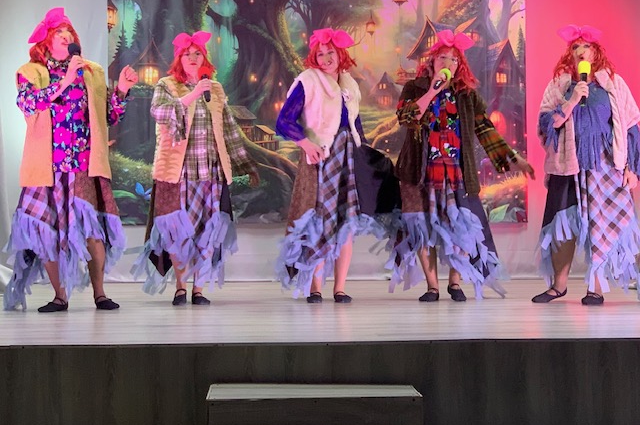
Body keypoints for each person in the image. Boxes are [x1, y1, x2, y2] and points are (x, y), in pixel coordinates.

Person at [3, 7, 138, 312]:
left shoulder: (91, 72)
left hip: (83, 165)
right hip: (46, 166)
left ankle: (100, 294)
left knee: (91, 230)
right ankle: (59, 296)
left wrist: (122, 90)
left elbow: (107, 117)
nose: (66, 38)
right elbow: (28, 104)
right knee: (45, 231)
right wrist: (63, 81)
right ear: (47, 42)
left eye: (69, 33)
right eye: (59, 34)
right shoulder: (31, 72)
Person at [390, 29, 535, 302]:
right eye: (443, 58)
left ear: (460, 66)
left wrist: (514, 159)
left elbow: (486, 130)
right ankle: (432, 287)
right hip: (418, 172)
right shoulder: (414, 88)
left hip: (455, 170)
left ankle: (454, 283)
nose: (448, 63)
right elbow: (407, 117)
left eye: (454, 59)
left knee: (461, 226)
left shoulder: (467, 96)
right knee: (421, 227)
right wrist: (431, 91)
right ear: (432, 61)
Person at [132, 31, 259, 305]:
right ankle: (181, 286)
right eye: (187, 54)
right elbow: (158, 112)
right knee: (178, 232)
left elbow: (229, 130)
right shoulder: (167, 85)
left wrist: (246, 165)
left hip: (210, 173)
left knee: (207, 232)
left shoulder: (215, 89)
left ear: (204, 59)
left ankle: (198, 289)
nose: (192, 58)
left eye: (197, 54)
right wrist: (192, 96)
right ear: (179, 59)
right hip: (178, 173)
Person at [275, 28, 396, 303]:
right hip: (321, 158)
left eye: (331, 52)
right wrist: (306, 144)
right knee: (320, 221)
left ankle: (339, 288)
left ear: (340, 54)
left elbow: (355, 124)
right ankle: (315, 287)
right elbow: (284, 121)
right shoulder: (308, 80)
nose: (326, 58)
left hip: (348, 157)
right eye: (321, 54)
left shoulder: (349, 83)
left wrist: (363, 156)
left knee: (347, 223)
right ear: (314, 57)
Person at [532, 24, 640, 305]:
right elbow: (547, 124)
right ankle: (559, 286)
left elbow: (631, 126)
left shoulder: (613, 83)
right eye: (575, 47)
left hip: (605, 166)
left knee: (605, 224)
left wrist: (631, 168)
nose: (581, 51)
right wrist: (572, 99)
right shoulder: (560, 85)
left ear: (595, 52)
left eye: (586, 47)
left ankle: (596, 288)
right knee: (563, 225)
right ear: (570, 54)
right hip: (567, 166)